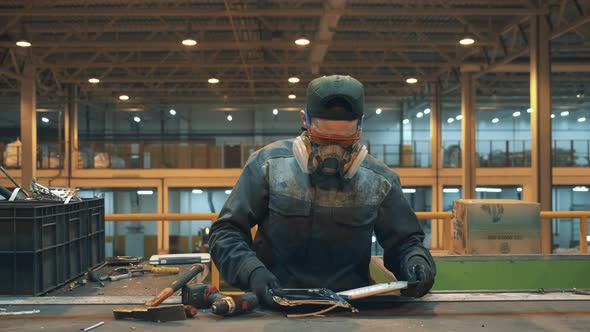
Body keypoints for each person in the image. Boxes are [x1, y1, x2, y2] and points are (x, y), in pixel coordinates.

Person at [209, 75, 436, 308]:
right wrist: (251, 271)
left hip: (349, 307)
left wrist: (415, 261)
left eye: (345, 142)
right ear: (304, 120)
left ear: (360, 126)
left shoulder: (379, 180)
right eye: (323, 139)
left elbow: (405, 242)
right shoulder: (268, 166)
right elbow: (226, 233)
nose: (333, 153)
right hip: (274, 305)